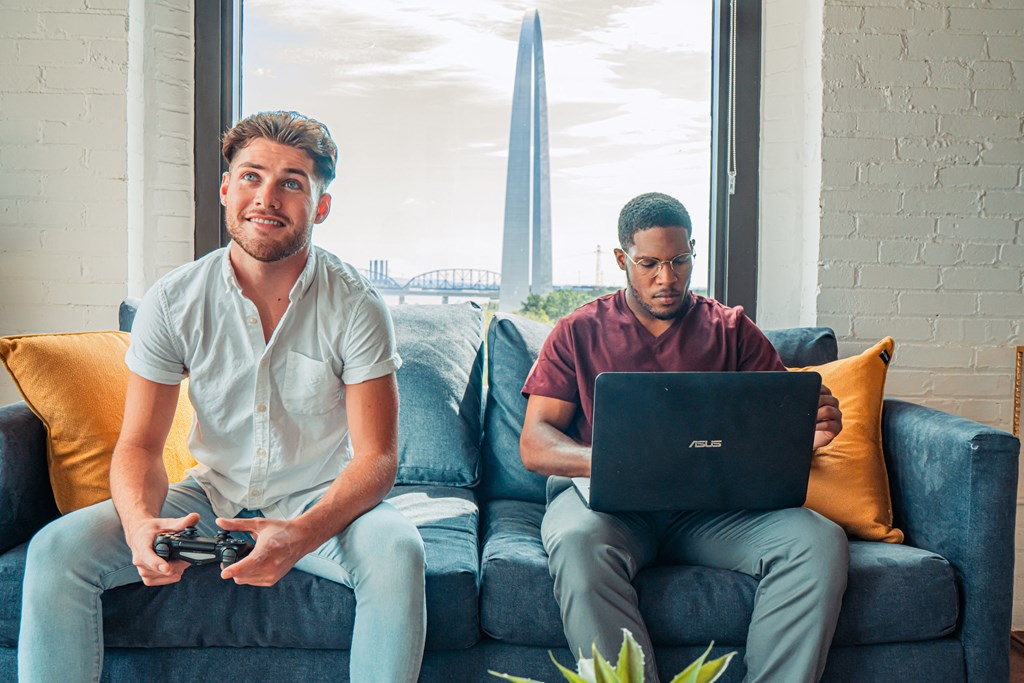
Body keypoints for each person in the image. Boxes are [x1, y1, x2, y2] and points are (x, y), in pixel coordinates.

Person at [18, 111, 426, 682]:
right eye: (252, 176)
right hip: (208, 498)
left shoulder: (356, 304)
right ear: (226, 189)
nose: (268, 197)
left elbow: (377, 458)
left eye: (292, 183)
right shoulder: (174, 299)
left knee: (400, 551)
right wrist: (139, 524)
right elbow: (139, 445)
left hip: (321, 501)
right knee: (59, 552)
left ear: (321, 207)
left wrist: (302, 534)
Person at [519, 192, 848, 683]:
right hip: (608, 508)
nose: (666, 278)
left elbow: (779, 426)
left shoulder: (733, 330)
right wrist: (615, 463)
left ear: (693, 250)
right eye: (649, 263)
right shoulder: (578, 330)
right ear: (621, 259)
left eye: (679, 261)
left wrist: (808, 430)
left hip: (714, 512)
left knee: (817, 541)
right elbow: (535, 443)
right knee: (575, 542)